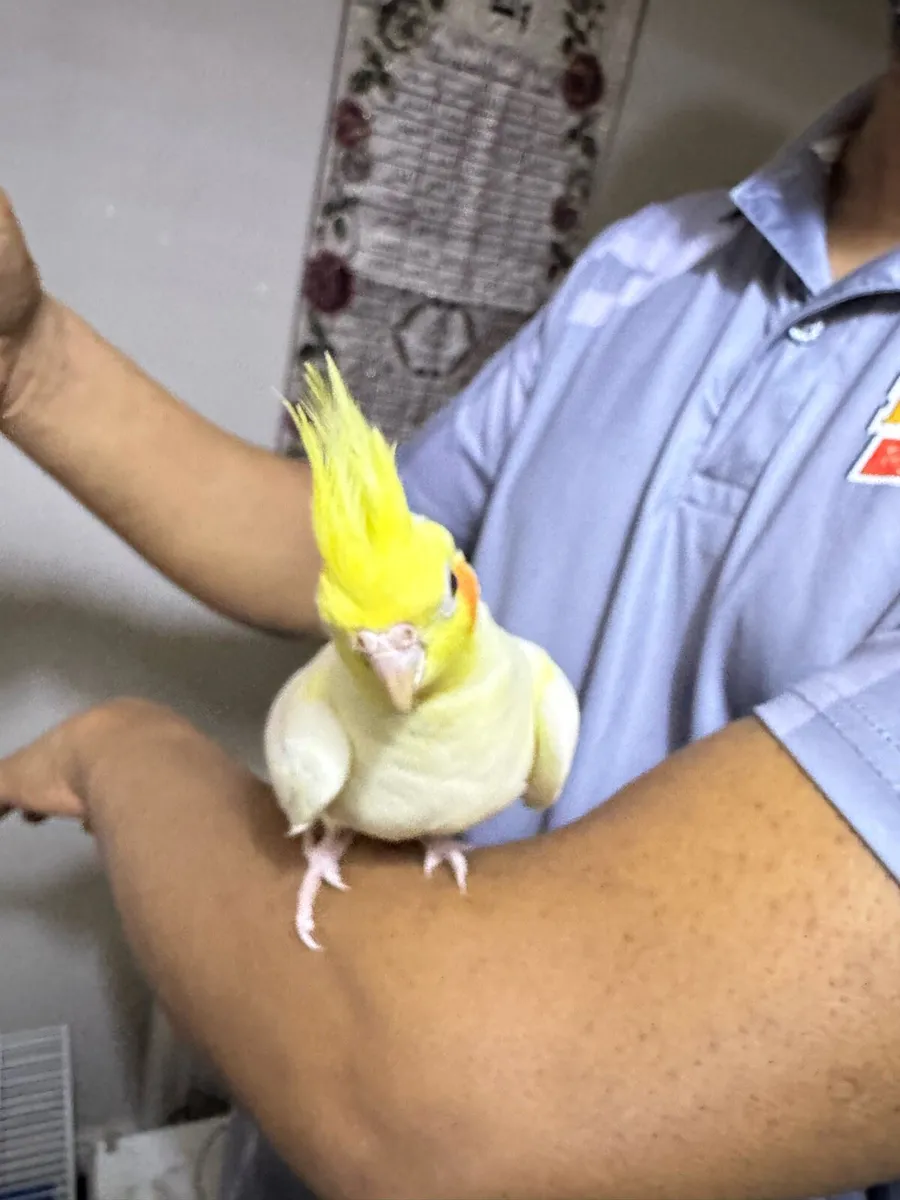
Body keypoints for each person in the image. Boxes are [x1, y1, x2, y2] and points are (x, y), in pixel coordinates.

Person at [3, 10, 900, 1200]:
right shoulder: (650, 260)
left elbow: (453, 1114)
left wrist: (124, 752)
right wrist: (28, 355)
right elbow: (333, 562)